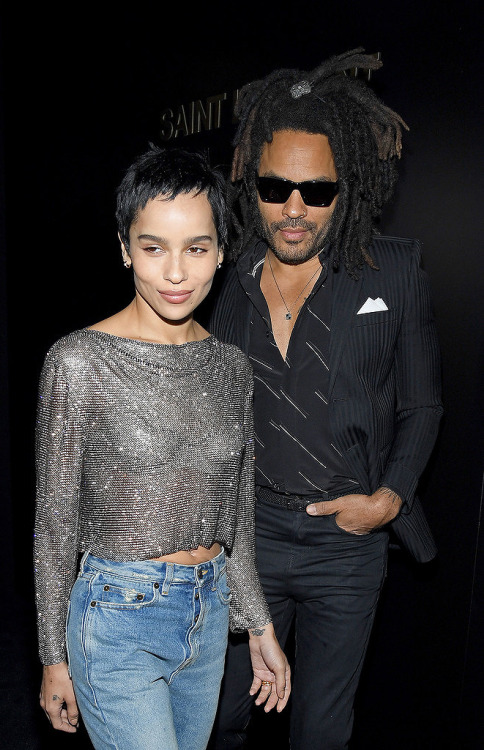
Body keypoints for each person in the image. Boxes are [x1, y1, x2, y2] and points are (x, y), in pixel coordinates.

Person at [206, 48, 443, 749]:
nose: (294, 209)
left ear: (349, 189)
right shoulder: (228, 276)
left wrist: (389, 500)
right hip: (251, 537)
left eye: (317, 191)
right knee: (222, 717)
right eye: (276, 187)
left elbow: (423, 406)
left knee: (320, 733)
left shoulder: (394, 272)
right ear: (253, 185)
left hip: (346, 546)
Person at [34, 144, 291, 750]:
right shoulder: (78, 362)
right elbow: (54, 526)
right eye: (153, 248)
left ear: (222, 252)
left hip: (208, 623)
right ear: (125, 249)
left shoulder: (230, 368)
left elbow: (238, 519)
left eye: (196, 249)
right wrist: (52, 657)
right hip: (116, 618)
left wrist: (257, 624)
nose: (176, 273)